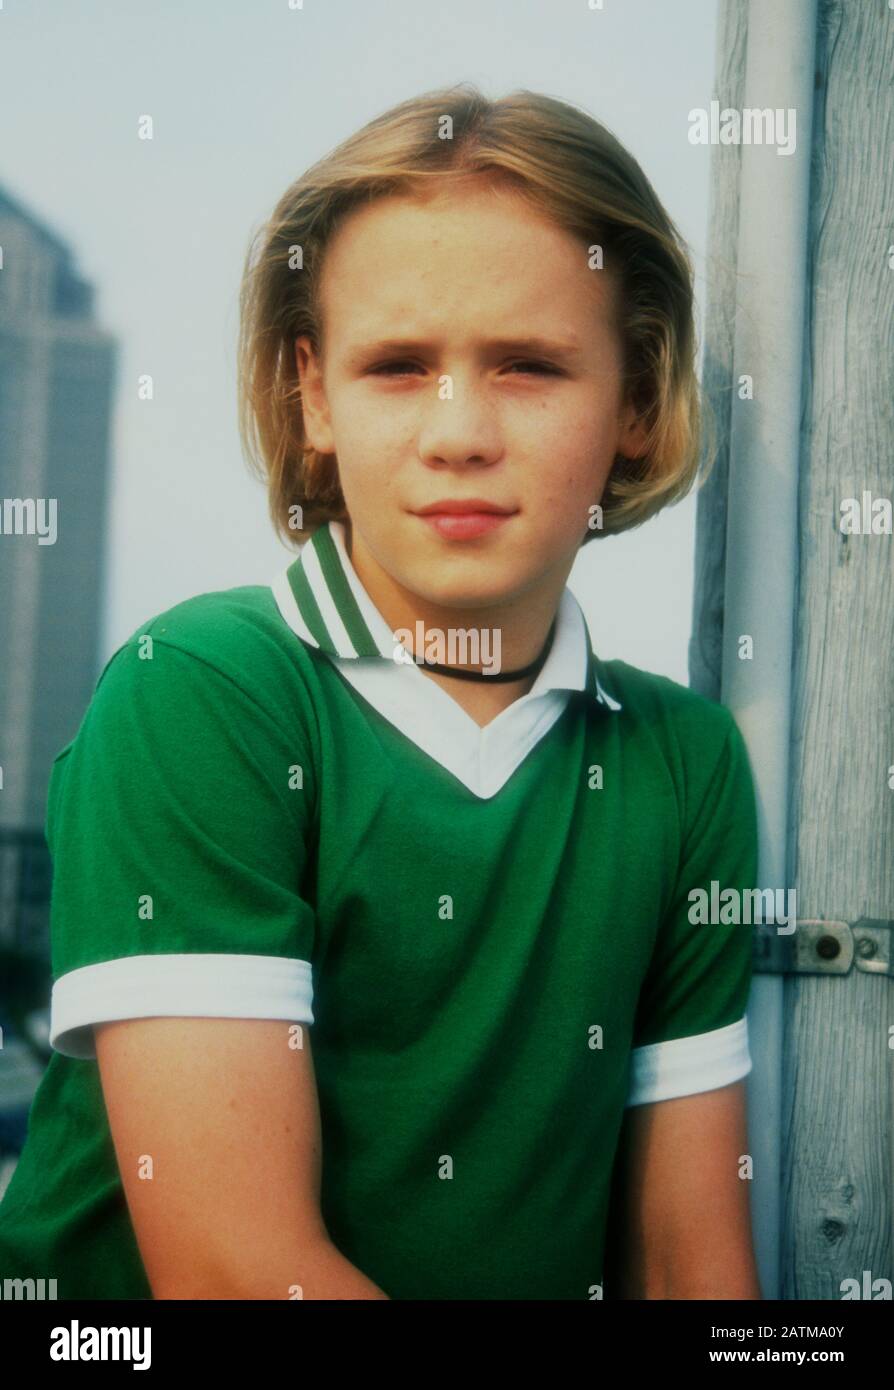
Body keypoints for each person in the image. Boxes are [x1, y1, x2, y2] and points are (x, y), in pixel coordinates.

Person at [0, 83, 761, 1300]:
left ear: (632, 396)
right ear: (314, 396)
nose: (460, 431)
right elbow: (238, 1276)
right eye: (399, 366)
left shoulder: (683, 759)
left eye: (529, 365)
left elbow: (689, 1272)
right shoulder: (203, 691)